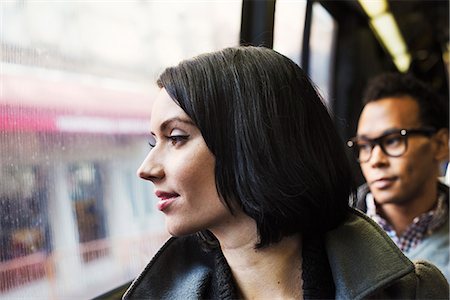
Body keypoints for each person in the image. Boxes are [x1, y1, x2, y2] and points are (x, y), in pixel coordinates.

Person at [124, 47, 448, 299]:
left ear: (257, 144)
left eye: (177, 138)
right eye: (153, 142)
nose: (146, 169)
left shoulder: (416, 292)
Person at [348, 72, 450, 282]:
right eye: (365, 146)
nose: (376, 160)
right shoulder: (332, 234)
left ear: (440, 145)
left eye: (393, 140)